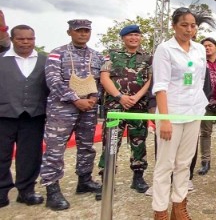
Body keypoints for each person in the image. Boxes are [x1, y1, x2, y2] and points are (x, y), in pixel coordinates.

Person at [151, 8, 214, 220]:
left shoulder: (199, 49)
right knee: (165, 164)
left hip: (193, 112)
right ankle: (160, 211)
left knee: (184, 164)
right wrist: (165, 120)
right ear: (174, 26)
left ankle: (179, 207)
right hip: (171, 113)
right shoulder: (165, 49)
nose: (189, 29)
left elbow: (198, 82)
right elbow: (160, 86)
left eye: (193, 25)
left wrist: (200, 107)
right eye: (184, 25)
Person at [40, 19, 104, 211]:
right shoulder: (57, 53)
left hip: (89, 108)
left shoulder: (97, 56)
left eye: (86, 31)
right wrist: (75, 99)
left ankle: (84, 181)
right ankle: (52, 189)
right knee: (55, 149)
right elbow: (52, 80)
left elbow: (101, 80)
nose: (83, 34)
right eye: (79, 31)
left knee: (86, 146)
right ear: (70, 32)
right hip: (62, 108)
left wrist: (94, 98)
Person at [95, 24, 152, 201]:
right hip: (115, 108)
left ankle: (138, 177)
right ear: (123, 38)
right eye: (130, 35)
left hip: (138, 107)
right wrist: (120, 97)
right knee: (110, 143)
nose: (134, 38)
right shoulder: (111, 55)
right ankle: (107, 181)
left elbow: (150, 80)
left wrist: (136, 97)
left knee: (139, 142)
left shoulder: (148, 58)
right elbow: (104, 78)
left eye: (137, 35)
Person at [0, 25, 49, 208]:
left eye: (30, 39)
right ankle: (1, 191)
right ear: (12, 39)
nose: (26, 42)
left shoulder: (45, 60)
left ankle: (26, 191)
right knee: (1, 155)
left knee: (30, 156)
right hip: (4, 115)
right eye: (21, 39)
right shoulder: (2, 60)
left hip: (33, 115)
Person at [192, 37, 216, 178]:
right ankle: (205, 161)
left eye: (210, 45)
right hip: (204, 103)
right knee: (205, 133)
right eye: (204, 46)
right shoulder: (199, 63)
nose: (207, 48)